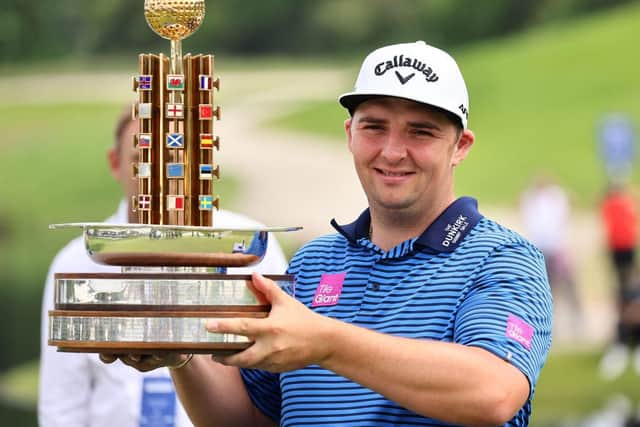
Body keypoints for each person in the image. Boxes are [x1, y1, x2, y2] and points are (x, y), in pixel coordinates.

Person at [107, 41, 553, 426]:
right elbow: (249, 420)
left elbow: (494, 391)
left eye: (421, 132)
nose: (393, 151)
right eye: (374, 126)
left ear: (461, 146)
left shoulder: (504, 258)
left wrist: (324, 342)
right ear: (349, 133)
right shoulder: (314, 262)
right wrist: (181, 356)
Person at [38, 108, 289, 427]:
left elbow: (275, 380)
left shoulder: (249, 247)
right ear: (115, 164)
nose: (158, 174)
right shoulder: (75, 259)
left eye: (173, 156)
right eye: (141, 159)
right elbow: (62, 405)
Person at [519, 173, 581, 332]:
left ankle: (576, 318)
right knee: (547, 287)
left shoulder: (555, 197)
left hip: (557, 248)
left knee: (567, 285)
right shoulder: (532, 199)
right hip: (543, 248)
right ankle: (551, 320)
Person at [598, 182, 640, 379]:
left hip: (626, 249)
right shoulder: (616, 205)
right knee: (624, 293)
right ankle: (622, 345)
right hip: (620, 249)